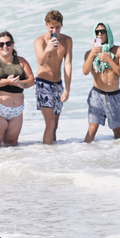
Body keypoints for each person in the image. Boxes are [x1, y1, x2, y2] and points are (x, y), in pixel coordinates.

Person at [0, 31, 35, 147]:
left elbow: (31, 80)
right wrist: (7, 81)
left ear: (13, 44)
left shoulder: (21, 61)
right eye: (1, 44)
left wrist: (18, 83)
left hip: (17, 111)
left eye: (8, 43)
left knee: (12, 145)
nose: (5, 46)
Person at [83, 22, 120, 142]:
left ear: (108, 33)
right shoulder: (89, 53)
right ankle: (84, 155)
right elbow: (85, 71)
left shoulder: (119, 51)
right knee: (92, 129)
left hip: (114, 96)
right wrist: (92, 55)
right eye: (97, 32)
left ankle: (118, 158)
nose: (99, 34)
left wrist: (110, 60)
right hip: (96, 94)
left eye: (103, 31)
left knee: (118, 132)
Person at [34, 10, 73, 144]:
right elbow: (41, 62)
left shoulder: (67, 40)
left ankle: (53, 156)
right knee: (50, 123)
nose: (54, 30)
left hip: (58, 84)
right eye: (51, 27)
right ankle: (46, 155)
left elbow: (67, 64)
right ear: (46, 25)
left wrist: (67, 89)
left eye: (57, 27)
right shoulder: (40, 41)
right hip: (43, 83)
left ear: (62, 25)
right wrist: (48, 49)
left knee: (55, 125)